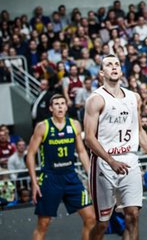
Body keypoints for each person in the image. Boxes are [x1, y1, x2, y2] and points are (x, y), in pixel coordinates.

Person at [84, 55, 147, 240]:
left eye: (117, 64)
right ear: (102, 73)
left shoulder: (134, 97)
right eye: (109, 65)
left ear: (121, 71)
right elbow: (89, 138)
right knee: (103, 223)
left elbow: (139, 131)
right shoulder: (96, 99)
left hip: (129, 159)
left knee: (133, 216)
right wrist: (111, 161)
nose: (114, 67)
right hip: (104, 163)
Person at [25, 93, 96, 240]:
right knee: (43, 224)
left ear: (66, 106)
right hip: (50, 178)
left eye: (62, 103)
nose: (60, 106)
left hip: (70, 176)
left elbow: (82, 151)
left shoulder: (74, 124)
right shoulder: (42, 127)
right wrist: (34, 182)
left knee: (91, 218)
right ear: (51, 108)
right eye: (56, 104)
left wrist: (90, 175)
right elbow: (30, 155)